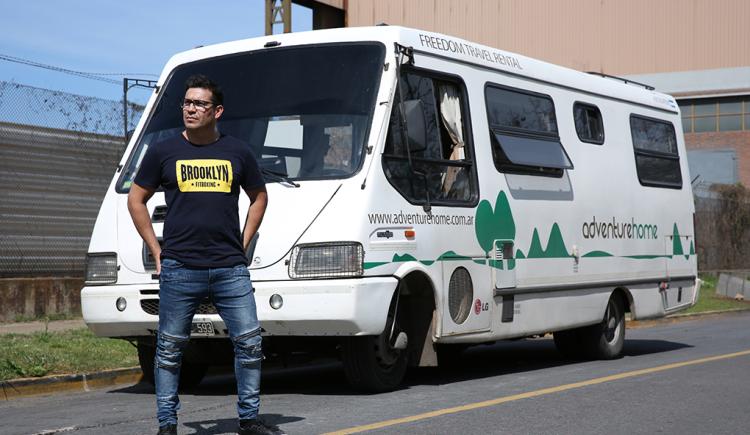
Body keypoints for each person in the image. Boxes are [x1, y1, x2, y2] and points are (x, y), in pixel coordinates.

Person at [128, 75, 282, 435]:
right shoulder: (163, 151)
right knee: (168, 350)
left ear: (217, 111)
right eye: (186, 103)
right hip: (180, 267)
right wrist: (156, 249)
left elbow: (259, 196)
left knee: (249, 342)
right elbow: (136, 199)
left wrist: (243, 243)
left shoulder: (238, 151)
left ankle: (249, 419)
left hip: (230, 268)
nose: (190, 109)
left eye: (199, 104)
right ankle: (167, 425)